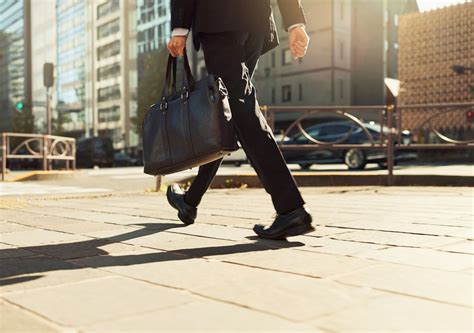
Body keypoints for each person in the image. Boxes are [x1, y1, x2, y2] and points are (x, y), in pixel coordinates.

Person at [166, 0, 313, 240]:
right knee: (229, 114)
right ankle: (191, 200)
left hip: (220, 20)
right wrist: (294, 20)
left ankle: (290, 208)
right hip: (255, 22)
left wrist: (180, 29)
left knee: (241, 111)